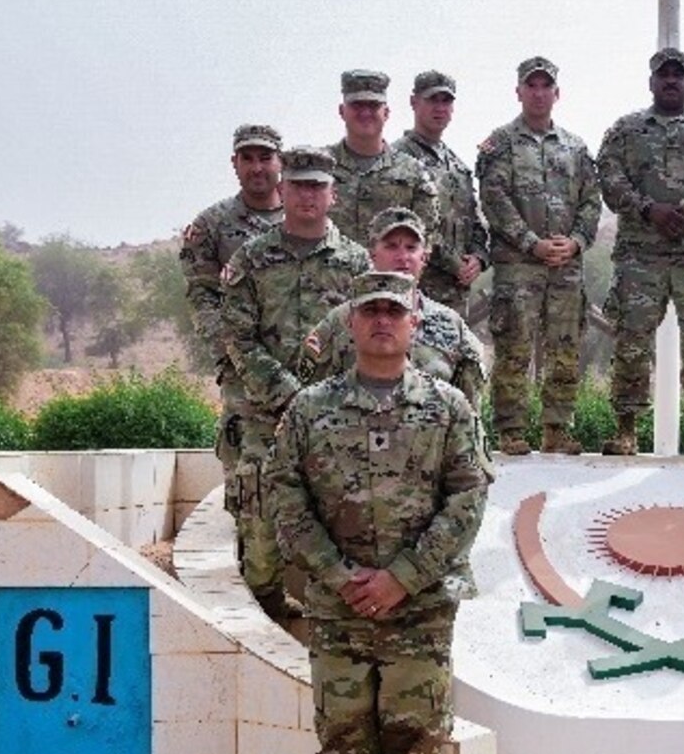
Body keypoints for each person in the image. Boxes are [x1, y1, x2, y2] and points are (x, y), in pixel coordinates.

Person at [266, 269, 491, 754]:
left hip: (418, 612)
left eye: (395, 311)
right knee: (343, 753)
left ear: (414, 322)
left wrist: (403, 577)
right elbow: (284, 498)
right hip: (338, 613)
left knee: (412, 749)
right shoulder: (310, 409)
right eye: (370, 313)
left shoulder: (448, 406)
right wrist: (337, 576)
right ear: (351, 324)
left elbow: (467, 499)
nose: (382, 322)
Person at [219, 147, 371, 616]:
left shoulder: (357, 264)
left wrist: (331, 399)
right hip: (268, 415)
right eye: (299, 185)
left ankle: (343, 612)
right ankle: (265, 603)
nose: (308, 195)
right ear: (282, 190)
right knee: (261, 524)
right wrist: (289, 393)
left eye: (317, 186)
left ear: (333, 194)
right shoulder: (252, 260)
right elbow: (238, 337)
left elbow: (369, 337)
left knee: (344, 519)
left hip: (337, 417)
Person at [595, 46, 684, 456]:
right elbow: (609, 176)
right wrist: (647, 209)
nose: (671, 80)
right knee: (631, 343)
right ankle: (625, 429)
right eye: (663, 74)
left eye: (678, 75)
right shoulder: (625, 130)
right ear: (651, 82)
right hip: (640, 254)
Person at [475, 56, 601, 456]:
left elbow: (591, 202)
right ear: (519, 92)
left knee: (565, 349)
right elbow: (494, 199)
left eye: (546, 86)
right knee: (515, 348)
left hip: (566, 268)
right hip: (519, 267)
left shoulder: (576, 148)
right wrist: (531, 243)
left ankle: (557, 429)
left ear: (557, 93)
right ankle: (511, 430)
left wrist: (576, 242)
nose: (539, 92)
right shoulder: (500, 144)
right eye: (532, 85)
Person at [298, 207, 487, 410]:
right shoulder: (339, 322)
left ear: (424, 257)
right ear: (372, 254)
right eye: (391, 246)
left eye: (411, 247)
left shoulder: (452, 326)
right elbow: (311, 405)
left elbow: (467, 414)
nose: (402, 256)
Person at [179, 124, 285, 486]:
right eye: (248, 158)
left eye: (265, 158)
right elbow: (201, 292)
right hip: (243, 370)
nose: (257, 167)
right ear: (234, 163)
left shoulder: (305, 216)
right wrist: (226, 349)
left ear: (280, 161)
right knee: (247, 480)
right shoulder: (212, 225)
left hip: (299, 360)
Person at [392, 70, 489, 316]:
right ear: (414, 103)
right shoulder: (397, 160)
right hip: (412, 294)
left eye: (446, 101)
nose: (440, 108)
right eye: (432, 100)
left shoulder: (457, 166)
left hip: (455, 299)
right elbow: (406, 225)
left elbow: (474, 222)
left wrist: (478, 259)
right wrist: (453, 264)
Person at [326, 69, 440, 249]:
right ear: (342, 111)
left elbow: (425, 239)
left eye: (373, 105)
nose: (365, 113)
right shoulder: (320, 169)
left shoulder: (414, 173)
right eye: (357, 105)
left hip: (390, 276)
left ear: (386, 113)